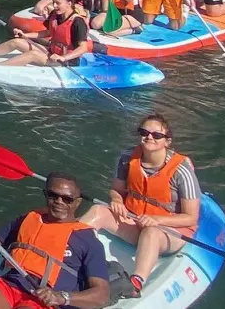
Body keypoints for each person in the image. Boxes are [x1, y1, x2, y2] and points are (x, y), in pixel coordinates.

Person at [0, 173, 112, 309]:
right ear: (45, 195)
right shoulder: (28, 219)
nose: (59, 202)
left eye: (67, 199)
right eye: (53, 195)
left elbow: (102, 295)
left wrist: (61, 297)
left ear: (77, 202)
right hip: (11, 285)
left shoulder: (87, 239)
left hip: (49, 301)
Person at [80, 113, 201, 299]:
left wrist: (156, 220)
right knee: (98, 211)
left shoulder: (181, 172)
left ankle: (135, 283)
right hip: (134, 220)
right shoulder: (127, 158)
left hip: (170, 231)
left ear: (167, 141)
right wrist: (117, 200)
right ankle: (63, 247)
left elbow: (191, 217)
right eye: (144, 132)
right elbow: (116, 190)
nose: (149, 137)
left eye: (157, 135)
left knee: (151, 232)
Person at [0, 0, 91, 67]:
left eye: (58, 3)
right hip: (51, 52)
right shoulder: (55, 14)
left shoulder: (78, 22)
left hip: (66, 61)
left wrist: (64, 58)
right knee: (16, 42)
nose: (55, 6)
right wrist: (26, 35)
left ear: (69, 3)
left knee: (33, 55)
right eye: (53, 3)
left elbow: (83, 48)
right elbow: (48, 32)